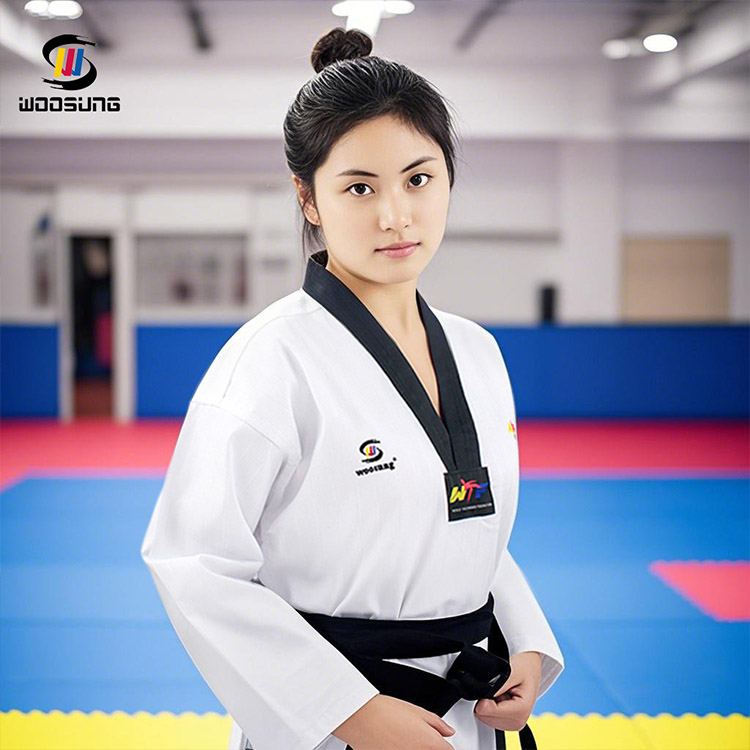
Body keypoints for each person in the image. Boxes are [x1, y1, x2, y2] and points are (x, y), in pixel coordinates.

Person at [141, 26, 564, 750]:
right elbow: (194, 566)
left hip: (467, 709)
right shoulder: (270, 361)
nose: (396, 215)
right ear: (308, 198)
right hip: (334, 721)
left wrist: (524, 643)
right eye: (360, 187)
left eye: (418, 179)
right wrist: (348, 711)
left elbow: (459, 524)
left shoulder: (477, 352)